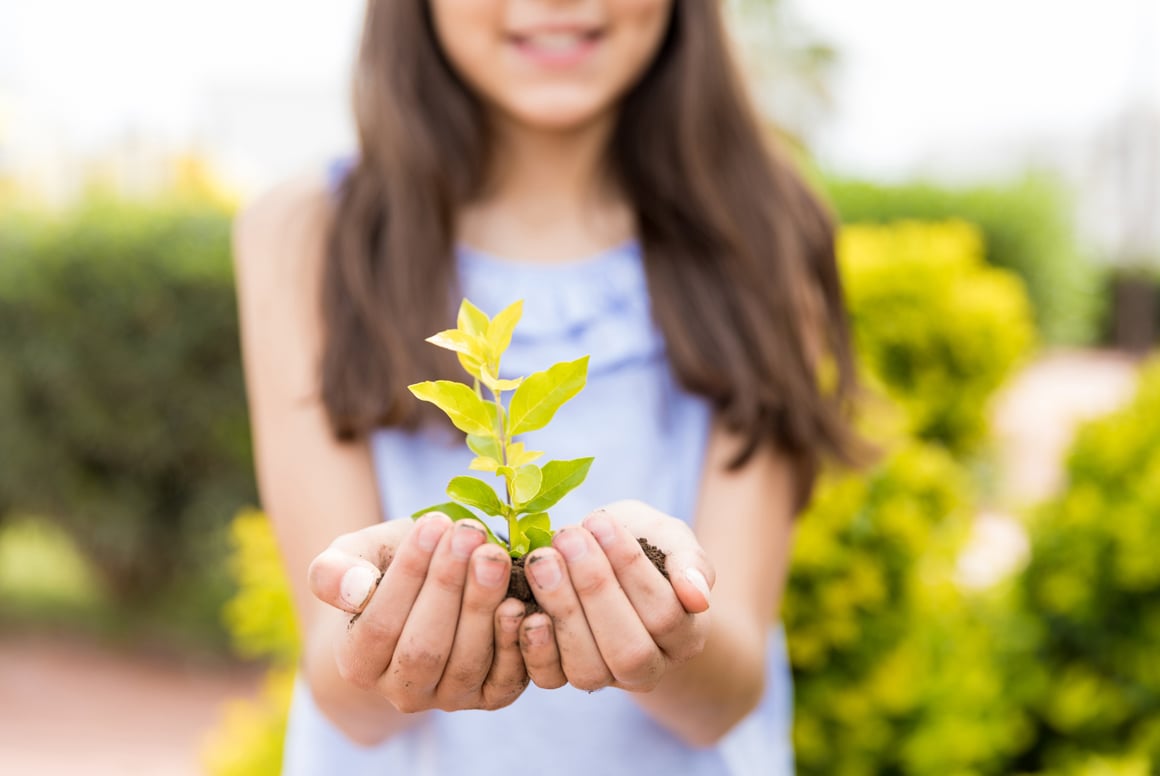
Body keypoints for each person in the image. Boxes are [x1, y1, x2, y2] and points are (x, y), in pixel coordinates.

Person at [233, 1, 864, 774]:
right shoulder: (307, 234)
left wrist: (667, 621)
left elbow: (727, 694)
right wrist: (387, 622)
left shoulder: (764, 229)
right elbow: (345, 692)